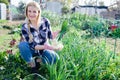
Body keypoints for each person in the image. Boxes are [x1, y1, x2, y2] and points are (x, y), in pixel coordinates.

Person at [18, 1, 63, 72]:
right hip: (32, 50)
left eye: (34, 12)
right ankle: (32, 65)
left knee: (55, 58)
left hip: (43, 50)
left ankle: (39, 61)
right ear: (26, 12)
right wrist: (47, 46)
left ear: (38, 12)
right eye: (29, 11)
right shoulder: (25, 26)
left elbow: (50, 36)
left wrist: (55, 34)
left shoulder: (45, 21)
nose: (31, 14)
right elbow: (32, 46)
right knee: (22, 45)